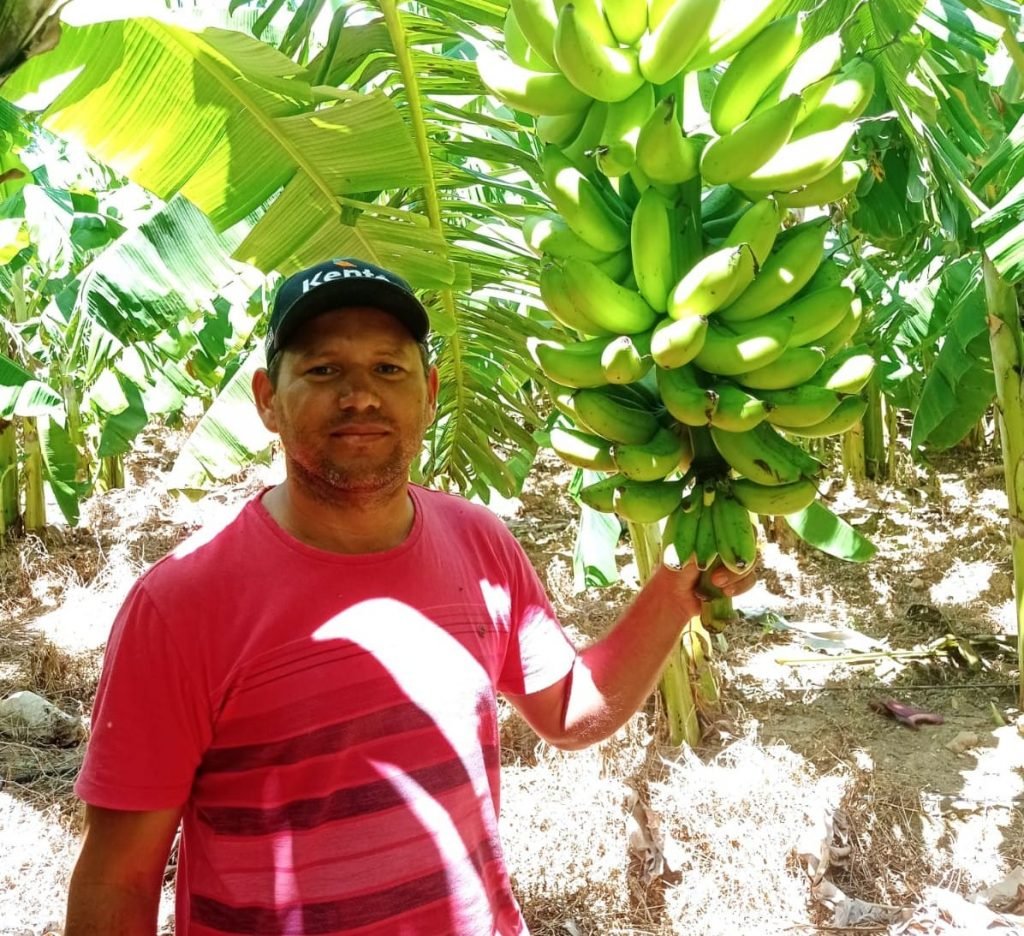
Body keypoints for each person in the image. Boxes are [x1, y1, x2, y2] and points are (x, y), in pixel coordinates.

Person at [64, 257, 756, 936]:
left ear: (427, 392)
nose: (360, 394)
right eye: (323, 369)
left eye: (388, 369)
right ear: (267, 399)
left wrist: (672, 595)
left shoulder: (480, 546)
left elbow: (570, 712)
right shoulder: (185, 602)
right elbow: (117, 879)